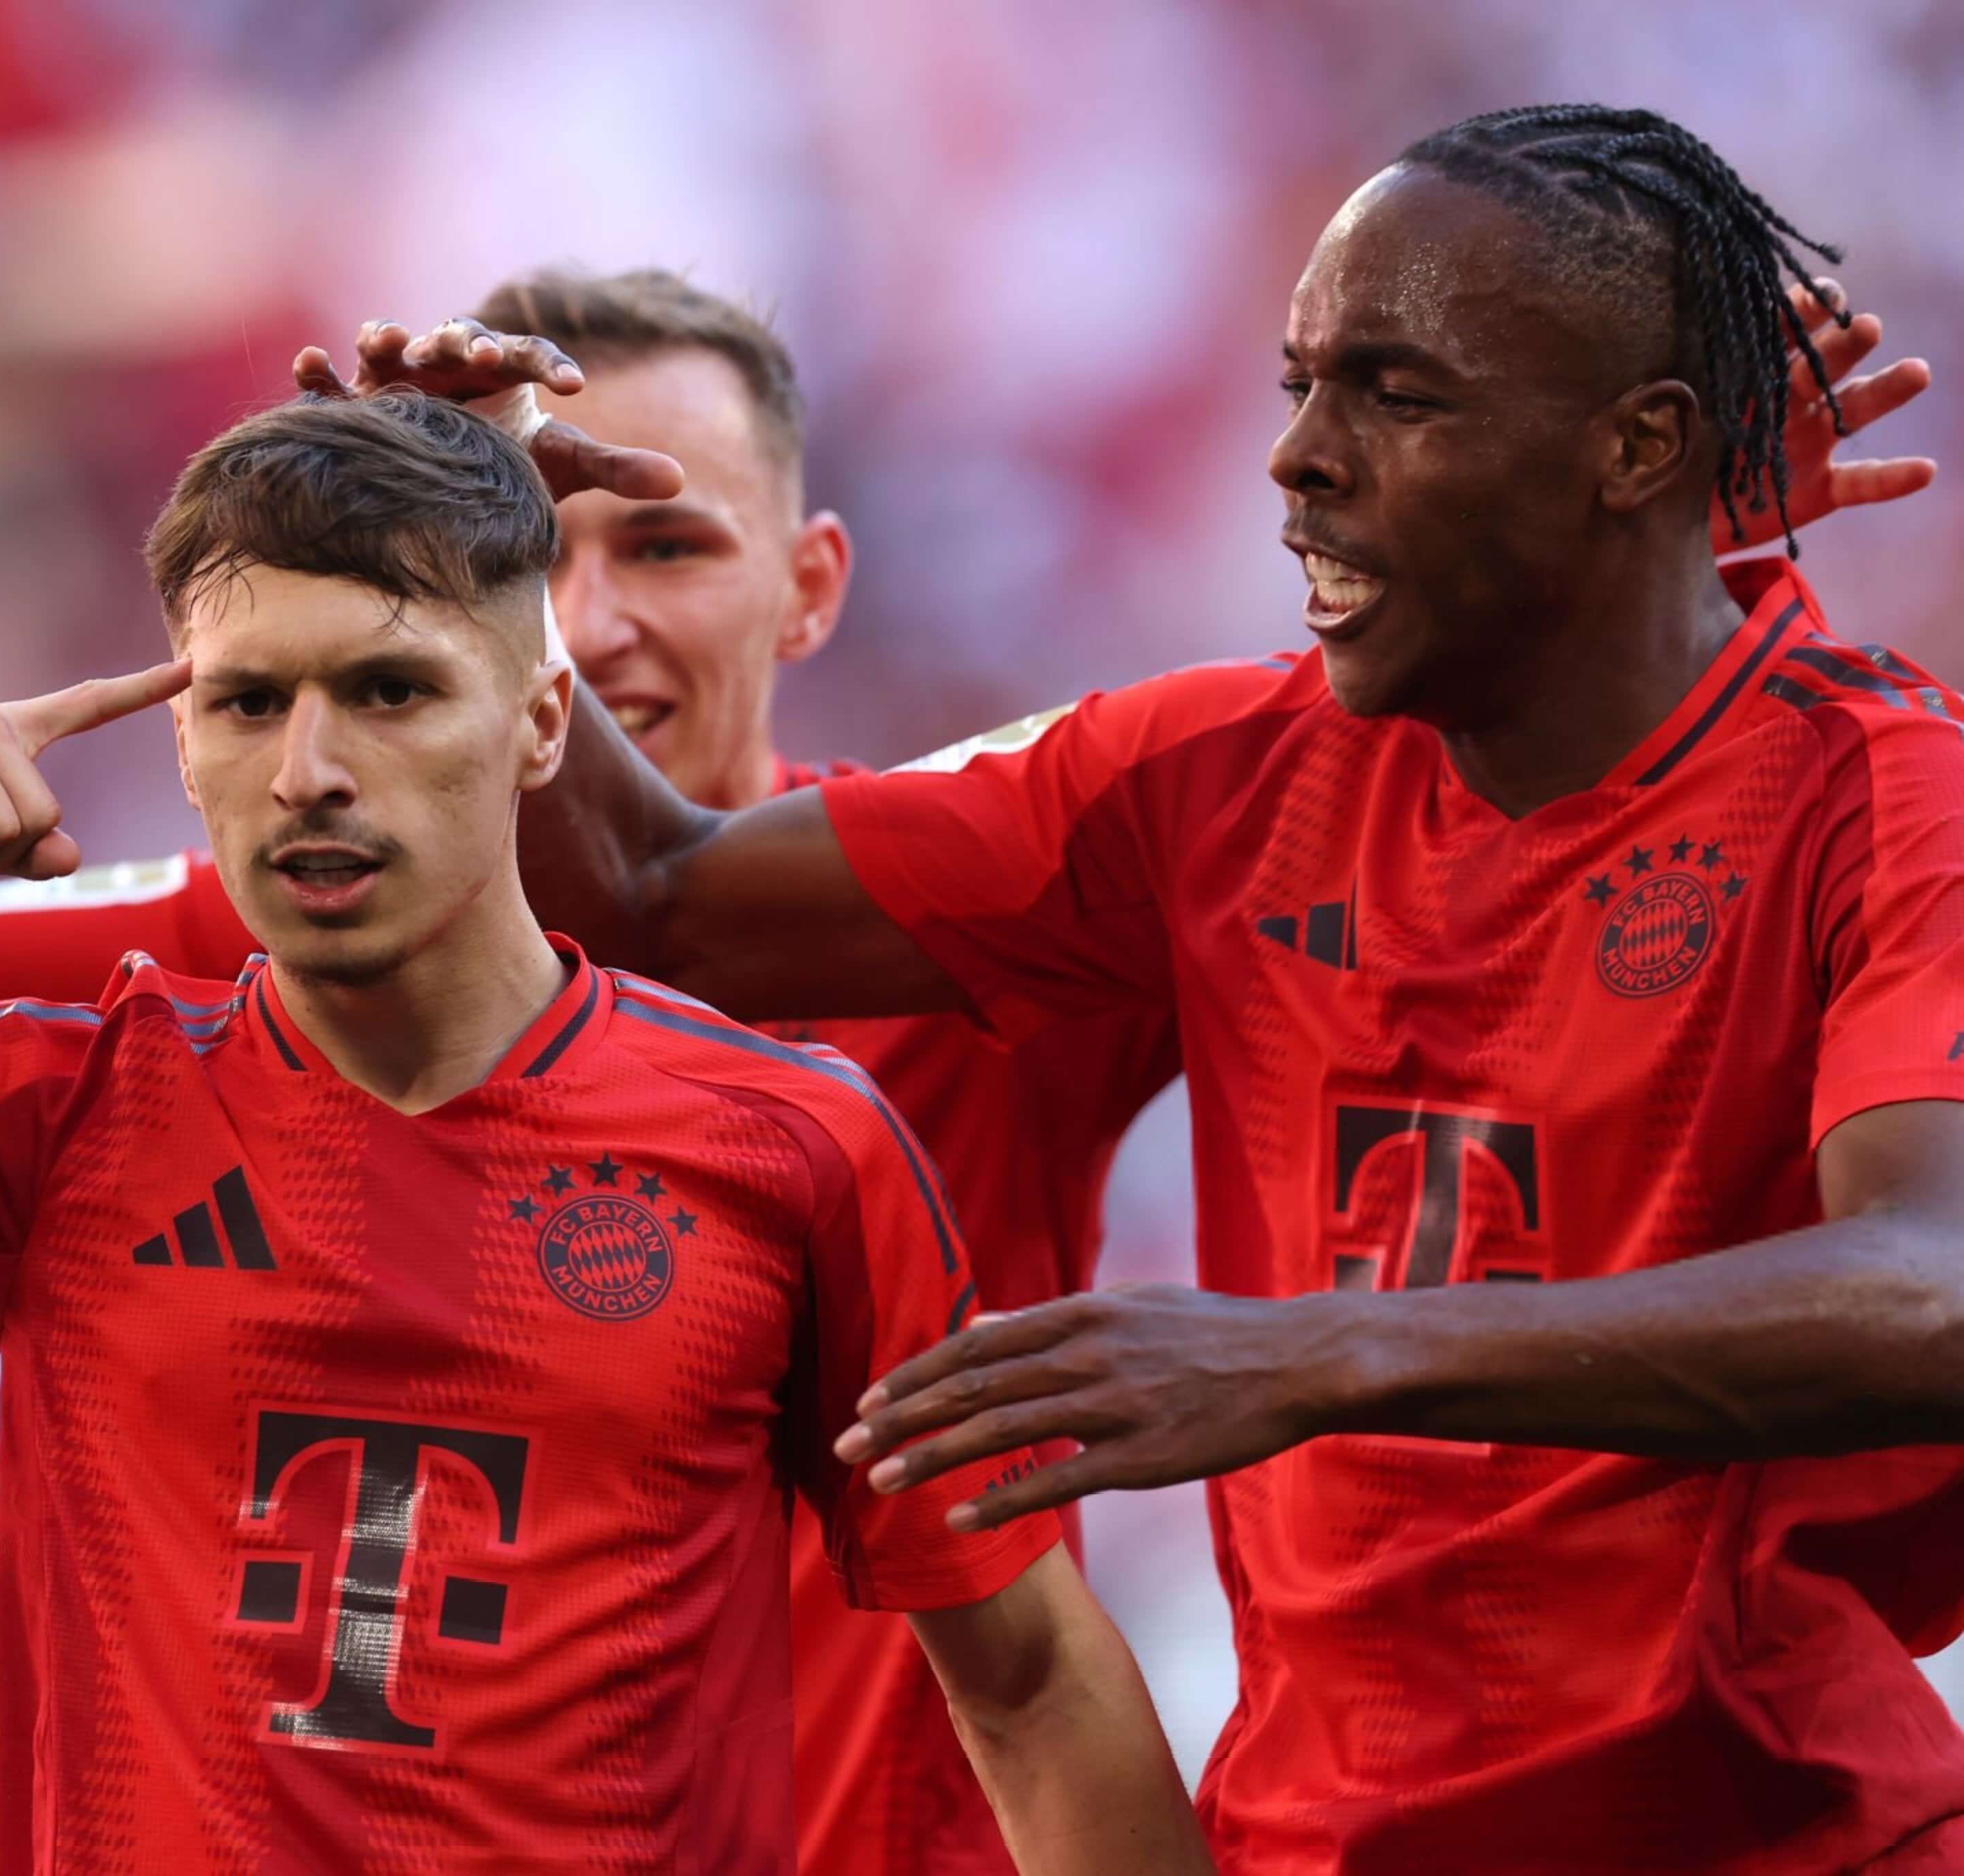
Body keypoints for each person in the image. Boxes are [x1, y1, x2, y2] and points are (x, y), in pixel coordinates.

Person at [0, 255, 1925, 1871]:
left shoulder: (983, 924)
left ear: (803, 577)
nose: (595, 602)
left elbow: (1522, 822)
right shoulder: (215, 977)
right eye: (533, 543)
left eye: (656, 535)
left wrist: (1628, 532)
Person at [0, 389, 1209, 1873]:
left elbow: (1032, 1674)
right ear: (185, 749)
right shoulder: (52, 1109)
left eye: (391, 691)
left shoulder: (795, 1146)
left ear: (543, 721)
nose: (310, 765)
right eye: (248, 702)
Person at [466, 106, 1964, 1871]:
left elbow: (1929, 1295)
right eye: (1298, 385)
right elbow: (649, 891)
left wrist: (1316, 1353)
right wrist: (473, 531)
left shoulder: (1884, 794)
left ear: (1635, 447)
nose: (1296, 460)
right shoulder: (1215, 771)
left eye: (1395, 396)